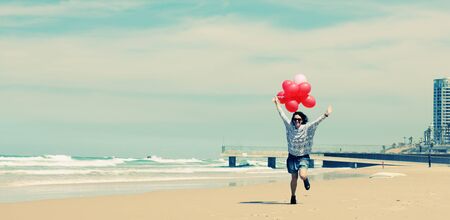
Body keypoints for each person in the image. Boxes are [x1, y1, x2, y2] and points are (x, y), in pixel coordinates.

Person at [272, 96, 332, 204]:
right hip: (291, 157)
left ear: (302, 120)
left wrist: (325, 115)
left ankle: (305, 179)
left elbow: (316, 122)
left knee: (302, 175)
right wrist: (277, 104)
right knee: (293, 178)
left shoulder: (307, 128)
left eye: (299, 119)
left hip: (303, 156)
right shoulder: (289, 126)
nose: (296, 121)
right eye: (295, 119)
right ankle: (293, 196)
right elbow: (282, 115)